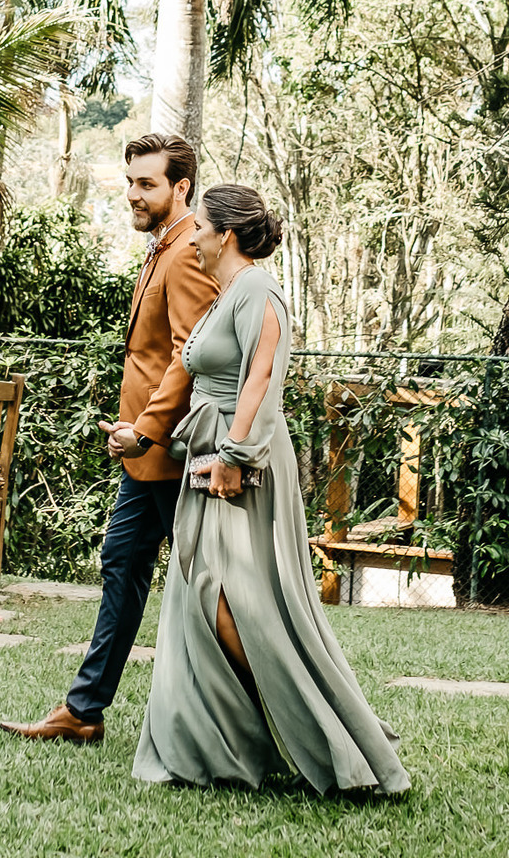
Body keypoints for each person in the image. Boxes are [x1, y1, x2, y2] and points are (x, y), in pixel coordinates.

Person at [133, 183, 411, 797]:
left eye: (201, 226)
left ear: (225, 235)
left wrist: (234, 455)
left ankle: (310, 725)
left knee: (231, 598)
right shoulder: (228, 292)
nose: (195, 235)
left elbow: (264, 378)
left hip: (241, 464)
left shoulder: (259, 290)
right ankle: (223, 741)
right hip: (211, 455)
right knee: (203, 592)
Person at [0, 131, 217, 745]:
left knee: (206, 591)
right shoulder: (160, 247)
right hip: (143, 457)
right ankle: (85, 709)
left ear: (181, 188)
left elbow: (191, 354)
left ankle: (243, 714)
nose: (133, 194)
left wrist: (148, 431)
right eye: (130, 182)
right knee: (122, 566)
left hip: (170, 455)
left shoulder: (185, 253)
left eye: (147, 183)